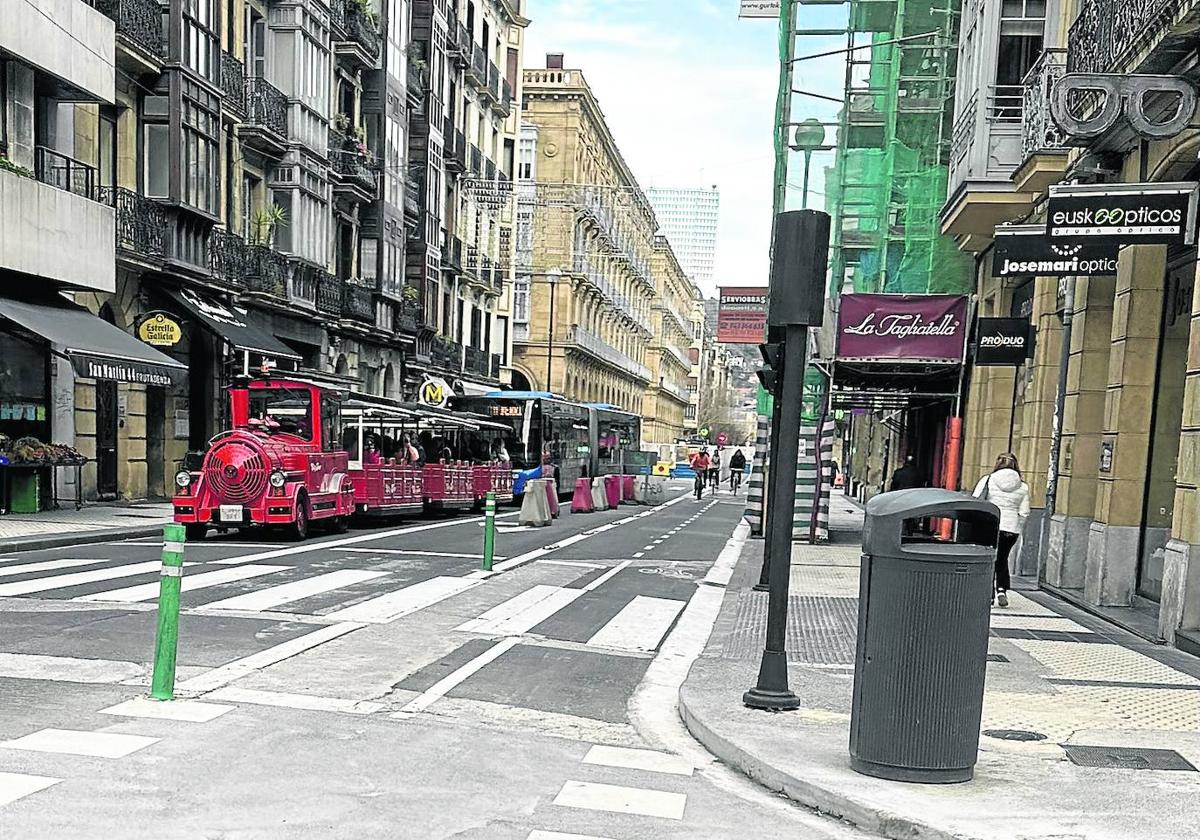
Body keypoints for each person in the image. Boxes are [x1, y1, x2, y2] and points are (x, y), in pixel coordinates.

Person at [972, 453, 1031, 608]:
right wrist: (1018, 526)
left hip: (990, 526)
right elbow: (1024, 512)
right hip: (1011, 529)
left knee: (989, 558)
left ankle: (989, 593)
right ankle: (1001, 589)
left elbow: (976, 499)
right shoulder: (1023, 486)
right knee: (1002, 558)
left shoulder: (988, 480)